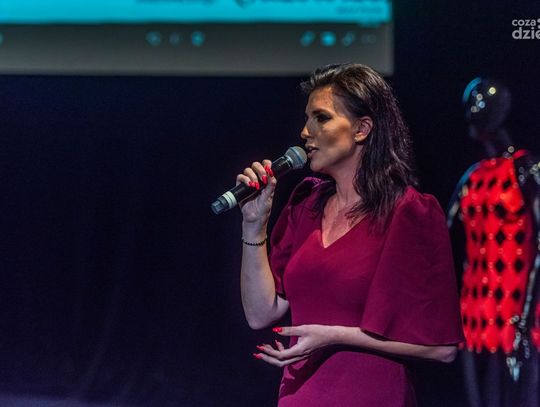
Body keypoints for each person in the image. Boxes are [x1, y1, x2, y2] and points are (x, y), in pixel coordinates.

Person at [237, 63, 464, 406]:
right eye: (307, 118)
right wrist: (253, 225)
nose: (305, 132)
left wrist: (335, 336)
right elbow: (260, 314)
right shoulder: (305, 204)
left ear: (361, 129)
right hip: (299, 397)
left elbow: (443, 349)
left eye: (321, 118)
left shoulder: (409, 213)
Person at [448, 77, 540, 407]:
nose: (476, 111)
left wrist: (525, 316)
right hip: (474, 314)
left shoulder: (527, 170)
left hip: (517, 310)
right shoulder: (473, 177)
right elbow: (440, 240)